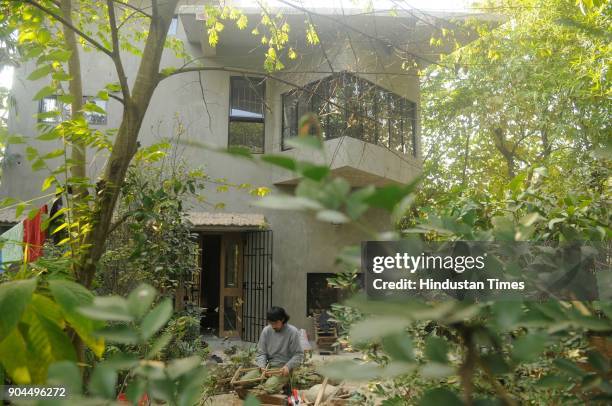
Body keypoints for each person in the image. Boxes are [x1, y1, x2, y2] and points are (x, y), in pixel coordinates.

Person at [255, 306, 304, 378]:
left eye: (276, 323)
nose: (273, 326)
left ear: (283, 319)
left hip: (283, 368)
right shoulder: (266, 331)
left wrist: (288, 366)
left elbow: (298, 355)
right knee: (244, 381)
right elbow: (261, 353)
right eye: (271, 323)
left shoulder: (293, 332)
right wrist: (262, 366)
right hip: (268, 366)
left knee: (269, 386)